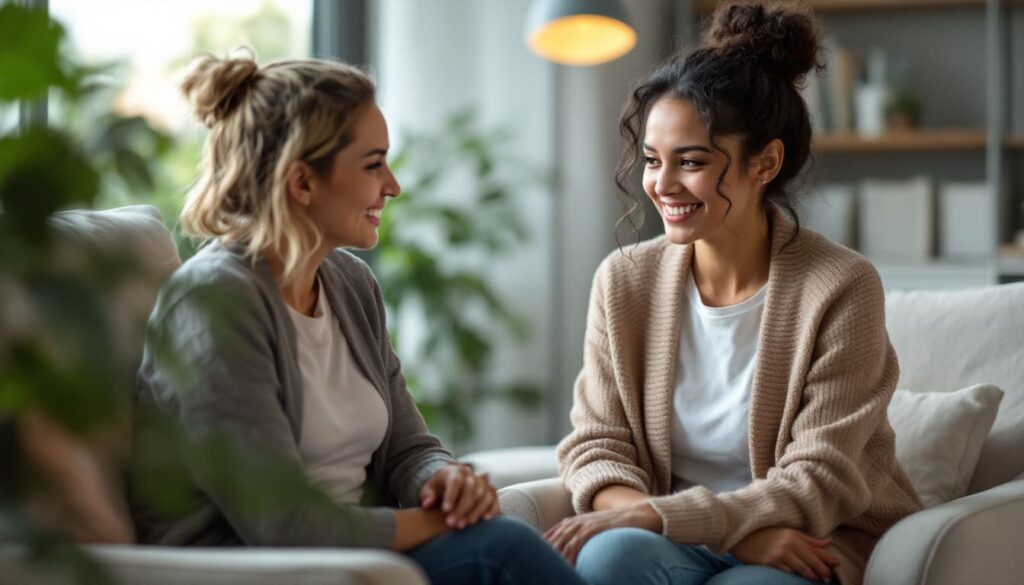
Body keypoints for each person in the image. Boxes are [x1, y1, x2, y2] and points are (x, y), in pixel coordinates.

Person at [129, 49, 585, 585]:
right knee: (500, 548)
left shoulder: (348, 283)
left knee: (502, 539)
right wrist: (434, 520)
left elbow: (409, 449)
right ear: (302, 182)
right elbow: (281, 522)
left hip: (351, 553)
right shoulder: (212, 303)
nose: (392, 186)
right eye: (373, 165)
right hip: (248, 567)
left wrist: (445, 480)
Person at [546, 3, 921, 584]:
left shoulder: (841, 287)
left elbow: (820, 477)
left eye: (691, 162)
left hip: (807, 541)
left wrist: (697, 525)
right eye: (652, 161)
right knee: (609, 558)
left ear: (765, 162)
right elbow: (597, 446)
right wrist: (705, 529)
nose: (662, 186)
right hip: (694, 535)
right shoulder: (623, 283)